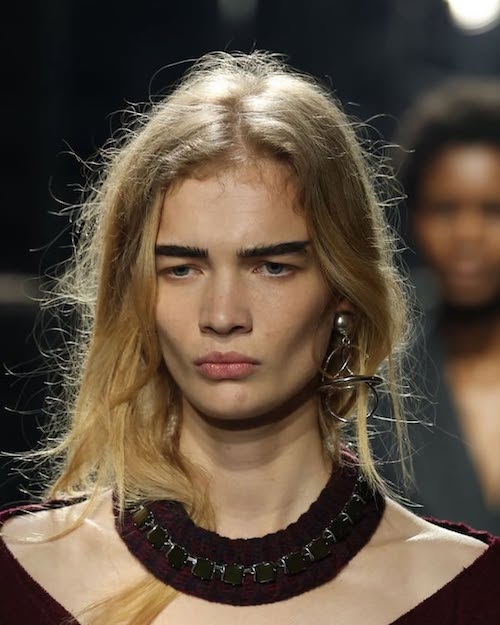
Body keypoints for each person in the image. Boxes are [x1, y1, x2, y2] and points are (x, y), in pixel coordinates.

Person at [0, 52, 498, 625]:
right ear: (134, 292)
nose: (222, 315)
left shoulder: (471, 593)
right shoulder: (21, 575)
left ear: (343, 288)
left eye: (272, 267)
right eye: (181, 269)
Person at [380, 81, 500, 534]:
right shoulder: (379, 380)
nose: (468, 235)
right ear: (414, 217)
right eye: (445, 210)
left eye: (494, 210)